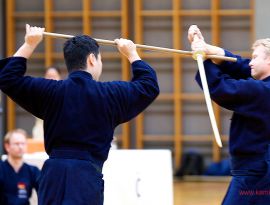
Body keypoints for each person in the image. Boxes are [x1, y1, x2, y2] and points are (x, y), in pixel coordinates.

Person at [0, 24, 159, 205]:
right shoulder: (109, 94)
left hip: (53, 176)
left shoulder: (51, 91)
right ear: (92, 59)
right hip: (85, 178)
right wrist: (132, 54)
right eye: (100, 60)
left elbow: (7, 77)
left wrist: (29, 44)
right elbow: (148, 86)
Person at [188, 25, 270, 204]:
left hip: (256, 170)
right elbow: (238, 64)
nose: (250, 62)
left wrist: (203, 59)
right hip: (261, 167)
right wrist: (205, 47)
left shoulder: (264, 90)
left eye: (255, 57)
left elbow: (224, 89)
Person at [0, 129, 40, 205]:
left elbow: (44, 191)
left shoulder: (33, 171)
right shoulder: (1, 169)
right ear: (7, 146)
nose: (20, 147)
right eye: (17, 144)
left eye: (23, 143)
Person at [32, 66, 62, 140]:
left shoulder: (64, 92)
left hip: (60, 130)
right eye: (49, 76)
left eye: (54, 76)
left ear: (60, 77)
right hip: (41, 131)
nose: (51, 78)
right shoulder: (39, 92)